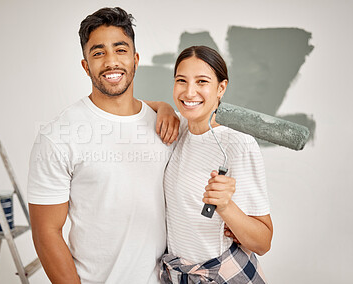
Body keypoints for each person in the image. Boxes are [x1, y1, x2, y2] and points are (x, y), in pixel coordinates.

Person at [27, 7, 180, 284]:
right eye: (98, 53)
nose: (111, 62)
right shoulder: (58, 135)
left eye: (120, 50)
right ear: (86, 66)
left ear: (135, 60)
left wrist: (164, 107)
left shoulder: (165, 125)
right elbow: (46, 232)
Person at [161, 46, 273, 283]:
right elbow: (136, 106)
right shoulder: (179, 127)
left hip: (225, 275)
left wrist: (226, 207)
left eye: (202, 81)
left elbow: (263, 242)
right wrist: (162, 107)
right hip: (180, 274)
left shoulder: (239, 143)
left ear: (221, 88)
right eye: (181, 81)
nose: (189, 92)